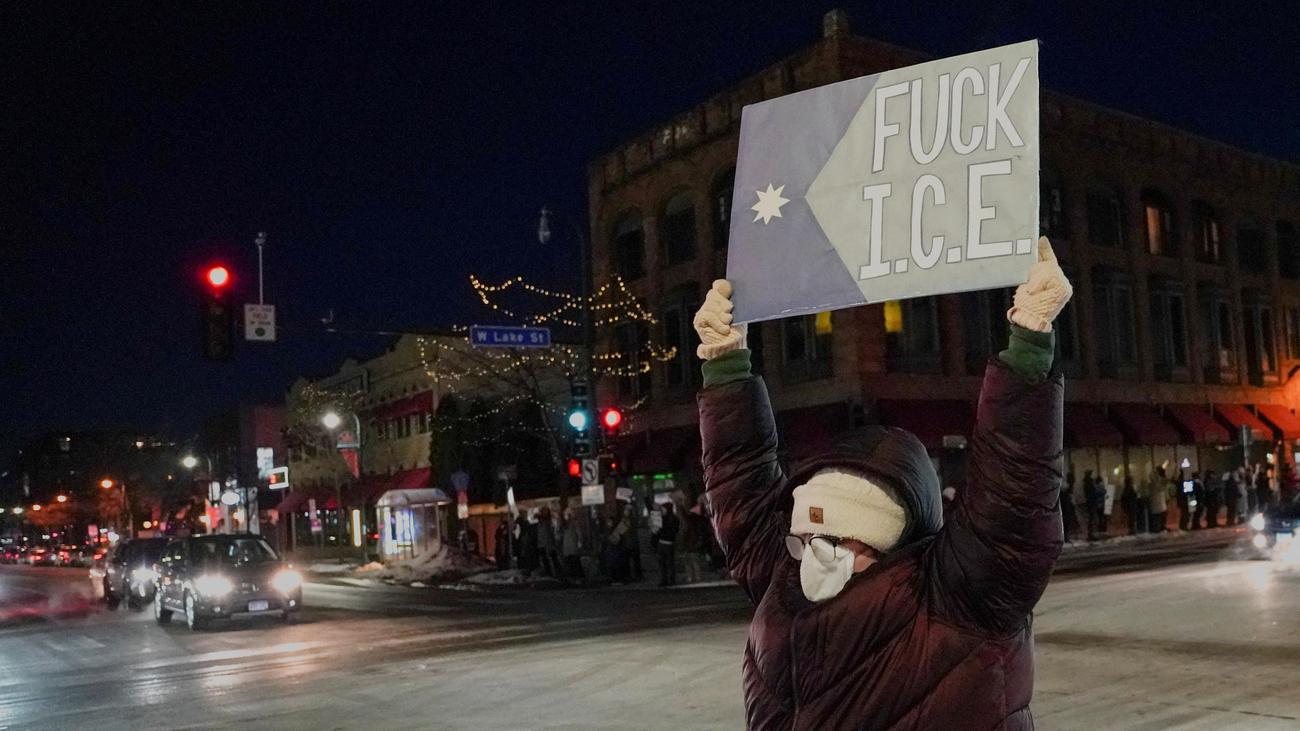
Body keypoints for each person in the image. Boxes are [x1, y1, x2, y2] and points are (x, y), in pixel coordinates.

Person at [693, 237, 1071, 729]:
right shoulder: (784, 580)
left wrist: (1029, 343)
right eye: (804, 540)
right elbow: (739, 481)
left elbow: (1014, 494)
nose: (814, 557)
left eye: (836, 539)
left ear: (889, 540)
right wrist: (725, 364)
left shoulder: (957, 601)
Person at [681, 498, 712, 583]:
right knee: (692, 561)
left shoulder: (694, 521)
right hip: (692, 542)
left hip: (692, 542)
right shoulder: (698, 520)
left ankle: (692, 577)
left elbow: (686, 516)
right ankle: (695, 577)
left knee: (691, 561)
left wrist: (682, 506)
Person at [653, 502, 680, 587]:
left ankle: (667, 579)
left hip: (665, 542)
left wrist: (659, 531)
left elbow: (664, 530)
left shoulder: (668, 519)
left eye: (664, 508)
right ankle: (668, 579)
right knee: (666, 563)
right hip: (666, 542)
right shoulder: (672, 518)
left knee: (666, 563)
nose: (662, 510)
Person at [536, 506, 561, 578]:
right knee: (546, 559)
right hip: (543, 543)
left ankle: (555, 573)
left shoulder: (548, 521)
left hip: (548, 543)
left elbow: (550, 532)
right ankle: (550, 572)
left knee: (552, 558)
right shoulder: (542, 521)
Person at [560, 507, 584, 583]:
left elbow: (579, 532)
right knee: (570, 561)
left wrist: (580, 542)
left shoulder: (574, 522)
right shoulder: (564, 524)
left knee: (575, 561)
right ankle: (572, 577)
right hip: (568, 544)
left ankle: (578, 577)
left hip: (572, 544)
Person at [1084, 469, 1105, 540]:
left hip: (1090, 502)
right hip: (1092, 503)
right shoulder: (1089, 483)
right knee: (1092, 519)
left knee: (1092, 519)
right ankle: (1091, 534)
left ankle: (1091, 534)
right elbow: (1094, 493)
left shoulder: (1086, 483)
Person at [1060, 469, 1080, 542]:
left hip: (1065, 508)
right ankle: (1066, 537)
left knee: (1066, 523)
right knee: (1067, 522)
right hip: (1066, 508)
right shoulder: (1066, 488)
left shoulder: (1065, 488)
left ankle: (1067, 536)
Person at [1149, 465, 1169, 533]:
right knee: (1158, 516)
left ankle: (1160, 528)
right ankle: (1158, 529)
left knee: (1160, 515)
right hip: (1157, 502)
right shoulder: (1155, 482)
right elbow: (1161, 487)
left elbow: (1164, 484)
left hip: (1160, 502)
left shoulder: (1157, 481)